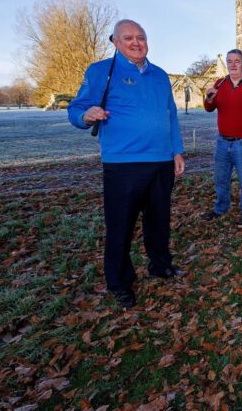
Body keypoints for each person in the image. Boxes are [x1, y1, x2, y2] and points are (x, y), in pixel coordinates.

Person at [68, 19, 186, 309]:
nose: (136, 43)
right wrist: (86, 115)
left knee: (159, 221)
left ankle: (160, 265)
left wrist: (177, 151)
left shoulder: (159, 75)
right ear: (116, 42)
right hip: (124, 164)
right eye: (129, 38)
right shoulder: (101, 72)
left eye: (141, 37)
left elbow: (170, 114)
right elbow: (76, 108)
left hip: (160, 162)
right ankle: (119, 281)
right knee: (121, 225)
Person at [202, 49, 242, 226]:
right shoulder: (219, 84)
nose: (232, 64)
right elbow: (209, 107)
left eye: (237, 61)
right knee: (221, 179)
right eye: (229, 61)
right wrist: (208, 98)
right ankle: (220, 208)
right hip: (222, 142)